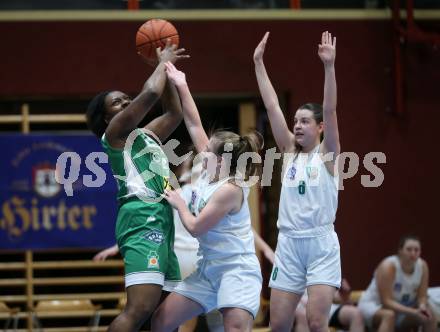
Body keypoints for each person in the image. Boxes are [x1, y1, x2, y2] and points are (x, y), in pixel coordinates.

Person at [151, 61, 263, 332]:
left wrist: (179, 203)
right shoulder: (209, 172)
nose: (202, 151)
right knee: (160, 321)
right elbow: (193, 120)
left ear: (222, 159)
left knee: (233, 328)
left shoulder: (230, 189)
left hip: (236, 270)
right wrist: (181, 83)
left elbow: (196, 227)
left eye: (208, 150)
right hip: (207, 269)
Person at [85, 41, 188, 332]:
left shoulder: (146, 134)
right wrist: (162, 62)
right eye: (117, 103)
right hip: (141, 217)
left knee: (167, 315)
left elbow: (173, 112)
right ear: (108, 117)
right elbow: (151, 92)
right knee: (139, 309)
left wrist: (166, 70)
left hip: (163, 219)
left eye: (127, 98)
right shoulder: (115, 134)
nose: (126, 103)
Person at [253, 31, 341, 332]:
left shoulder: (328, 153)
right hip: (289, 243)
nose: (298, 125)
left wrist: (329, 67)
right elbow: (272, 105)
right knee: (277, 325)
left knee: (317, 324)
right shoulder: (290, 151)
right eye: (296, 121)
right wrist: (258, 64)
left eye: (305, 121)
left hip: (320, 244)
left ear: (320, 128)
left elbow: (330, 108)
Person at [358, 235, 437, 332]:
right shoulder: (388, 266)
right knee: (389, 315)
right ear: (400, 250)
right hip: (376, 306)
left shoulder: (423, 266)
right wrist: (413, 311)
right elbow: (386, 302)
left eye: (416, 250)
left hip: (404, 309)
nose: (413, 253)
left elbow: (422, 296)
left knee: (429, 315)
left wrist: (422, 307)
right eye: (409, 249)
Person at [295, 279, 364, 332]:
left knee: (356, 313)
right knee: (304, 315)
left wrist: (344, 294)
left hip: (324, 307)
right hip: (297, 308)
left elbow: (336, 297)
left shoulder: (320, 267)